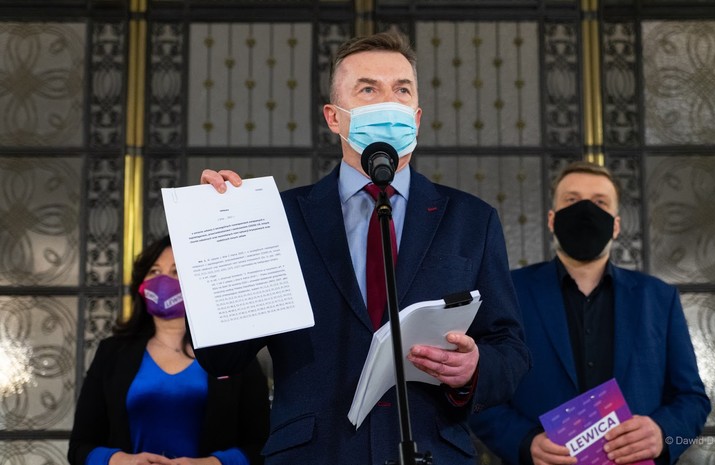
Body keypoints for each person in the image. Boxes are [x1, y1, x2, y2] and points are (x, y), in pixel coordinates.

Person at [195, 31, 530, 465]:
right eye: (368, 89)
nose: (388, 103)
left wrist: (473, 368)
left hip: (430, 451)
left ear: (417, 116)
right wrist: (220, 237)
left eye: (402, 90)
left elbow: (511, 349)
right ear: (334, 117)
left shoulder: (471, 220)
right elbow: (221, 357)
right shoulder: (276, 217)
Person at [469, 161, 711, 465]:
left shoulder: (659, 299)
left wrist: (664, 433)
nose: (585, 210)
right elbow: (478, 393)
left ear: (616, 225)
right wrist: (524, 442)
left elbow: (692, 399)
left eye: (599, 202)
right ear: (551, 219)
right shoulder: (508, 292)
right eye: (572, 200)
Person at [68, 235, 270, 465]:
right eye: (154, 271)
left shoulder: (233, 352)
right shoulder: (112, 353)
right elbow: (80, 447)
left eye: (176, 271)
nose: (163, 280)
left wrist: (209, 464)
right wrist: (122, 460)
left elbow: (262, 445)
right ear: (141, 284)